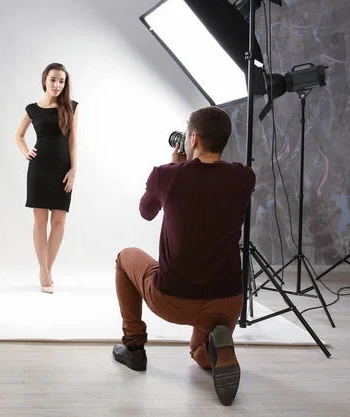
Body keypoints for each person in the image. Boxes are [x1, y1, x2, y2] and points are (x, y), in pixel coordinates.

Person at [111, 106, 256, 406]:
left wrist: (174, 167)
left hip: (174, 300)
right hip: (228, 301)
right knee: (199, 354)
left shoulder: (167, 175)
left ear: (193, 138)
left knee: (124, 258)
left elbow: (146, 212)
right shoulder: (244, 177)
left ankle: (134, 347)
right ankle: (217, 346)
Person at [15, 63, 79, 294]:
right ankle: (45, 272)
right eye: (53, 80)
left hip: (62, 169)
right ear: (45, 80)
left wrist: (73, 170)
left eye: (61, 81)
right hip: (39, 169)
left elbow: (73, 141)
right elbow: (19, 135)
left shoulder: (71, 107)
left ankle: (46, 269)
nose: (57, 85)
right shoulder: (33, 108)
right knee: (40, 222)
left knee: (59, 222)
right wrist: (25, 152)